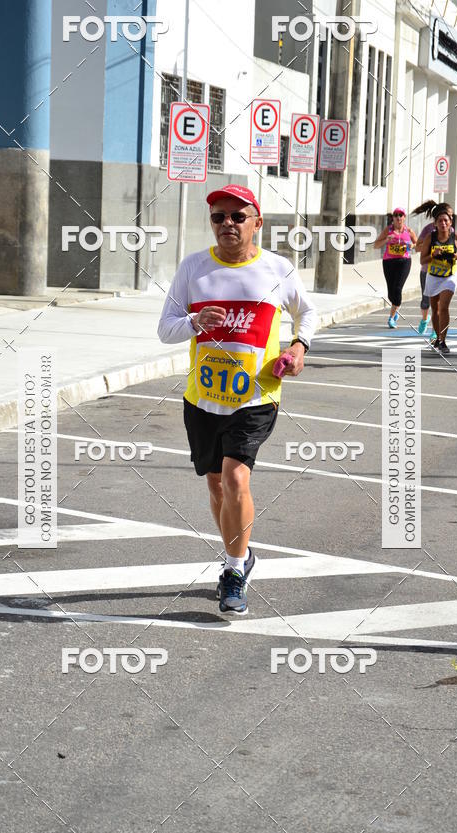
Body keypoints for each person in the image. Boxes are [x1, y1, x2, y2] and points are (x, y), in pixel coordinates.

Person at [157, 184, 317, 615]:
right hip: (203, 398)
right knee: (215, 485)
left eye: (237, 216)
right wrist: (194, 320)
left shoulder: (277, 269)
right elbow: (165, 329)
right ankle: (242, 556)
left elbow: (308, 311)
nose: (227, 223)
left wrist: (299, 346)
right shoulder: (194, 268)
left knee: (235, 480)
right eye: (218, 217)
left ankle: (232, 570)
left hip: (257, 395)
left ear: (257, 223)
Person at [419, 203, 457, 354]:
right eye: (440, 221)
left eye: (446, 220)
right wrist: (433, 255)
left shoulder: (456, 238)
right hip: (433, 276)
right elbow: (422, 260)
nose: (443, 223)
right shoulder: (430, 238)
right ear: (435, 224)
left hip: (449, 276)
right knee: (435, 310)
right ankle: (438, 338)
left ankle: (443, 341)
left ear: (450, 222)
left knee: (444, 307)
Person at [374, 207, 417, 328]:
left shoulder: (409, 231)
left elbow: (418, 244)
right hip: (389, 262)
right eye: (396, 215)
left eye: (401, 215)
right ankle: (396, 307)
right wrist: (386, 240)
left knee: (397, 289)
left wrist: (411, 245)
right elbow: (376, 245)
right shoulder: (388, 230)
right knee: (391, 293)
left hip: (404, 261)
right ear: (393, 218)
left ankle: (391, 318)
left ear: (404, 217)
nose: (398, 217)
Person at [412, 200, 437, 335]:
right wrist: (430, 248)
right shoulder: (428, 229)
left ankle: (435, 329)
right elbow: (417, 248)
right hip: (427, 270)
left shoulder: (449, 230)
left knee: (437, 303)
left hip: (443, 271)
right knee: (426, 300)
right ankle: (424, 319)